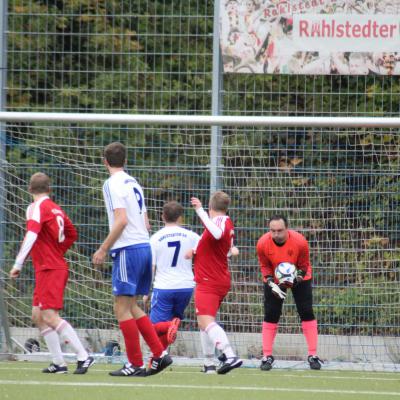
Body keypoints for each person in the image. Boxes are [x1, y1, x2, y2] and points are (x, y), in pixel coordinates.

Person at [92, 142, 172, 377]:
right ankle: (159, 354)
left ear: (105, 162)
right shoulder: (133, 182)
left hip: (128, 250)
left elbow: (121, 220)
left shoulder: (111, 183)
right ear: (124, 161)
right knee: (132, 306)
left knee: (121, 308)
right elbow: (146, 223)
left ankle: (135, 363)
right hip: (144, 247)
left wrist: (103, 248)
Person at [9, 172, 94, 374]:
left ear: (29, 190)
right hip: (49, 266)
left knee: (49, 314)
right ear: (49, 189)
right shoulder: (55, 208)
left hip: (50, 268)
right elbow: (72, 233)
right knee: (38, 315)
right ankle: (58, 363)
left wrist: (18, 263)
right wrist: (57, 250)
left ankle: (84, 356)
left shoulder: (36, 207)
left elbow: (31, 234)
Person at [256, 214, 323, 371]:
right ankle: (267, 356)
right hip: (275, 280)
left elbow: (304, 264)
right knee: (271, 313)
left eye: (280, 230)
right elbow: (264, 266)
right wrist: (272, 282)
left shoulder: (300, 242)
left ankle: (313, 355)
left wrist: (296, 279)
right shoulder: (262, 243)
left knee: (306, 311)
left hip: (299, 277)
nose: (276, 234)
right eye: (273, 231)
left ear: (287, 229)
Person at [189, 191, 242, 375]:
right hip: (216, 278)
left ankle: (229, 355)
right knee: (205, 322)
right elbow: (220, 248)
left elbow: (217, 234)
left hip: (209, 280)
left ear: (212, 208)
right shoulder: (225, 222)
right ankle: (209, 363)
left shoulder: (219, 222)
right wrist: (195, 251)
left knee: (205, 320)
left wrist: (200, 211)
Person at [145, 201, 200, 350]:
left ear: (162, 217)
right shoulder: (192, 236)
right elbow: (204, 251)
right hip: (186, 287)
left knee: (153, 327)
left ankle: (169, 327)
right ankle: (159, 359)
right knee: (166, 330)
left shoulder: (155, 238)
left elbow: (152, 267)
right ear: (180, 218)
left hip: (164, 287)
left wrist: (146, 291)